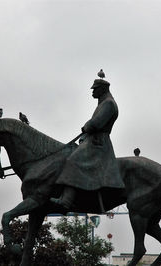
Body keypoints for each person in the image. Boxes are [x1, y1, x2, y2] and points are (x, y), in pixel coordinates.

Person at [50, 77, 125, 209]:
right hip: (93, 139)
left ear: (102, 89)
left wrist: (87, 126)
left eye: (94, 89)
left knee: (73, 160)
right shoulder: (103, 103)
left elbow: (96, 124)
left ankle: (67, 200)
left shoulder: (109, 103)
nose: (92, 92)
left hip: (99, 143)